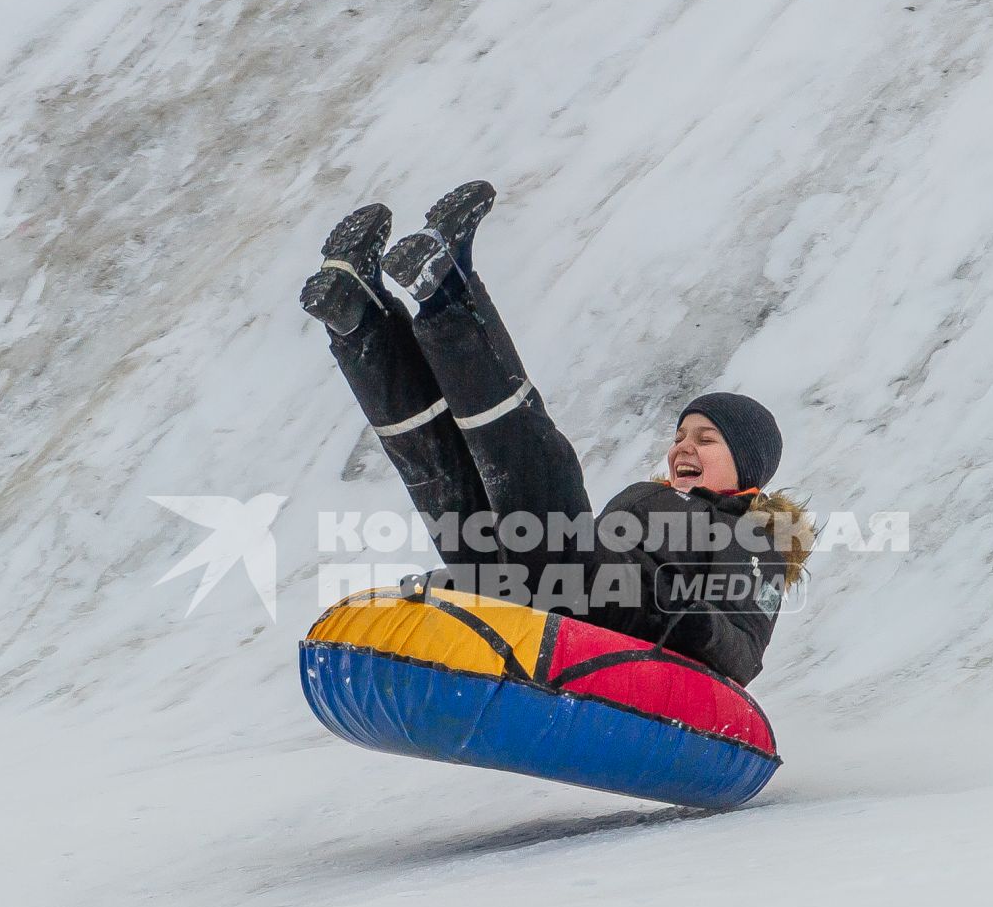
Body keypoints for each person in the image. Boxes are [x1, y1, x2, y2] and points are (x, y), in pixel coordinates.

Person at [299, 181, 809, 686]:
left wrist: (687, 620)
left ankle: (448, 288)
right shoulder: (649, 497)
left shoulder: (756, 535)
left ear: (748, 470)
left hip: (604, 601)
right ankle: (361, 318)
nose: (683, 446)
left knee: (531, 465)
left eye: (706, 438)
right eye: (681, 435)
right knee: (448, 473)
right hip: (545, 587)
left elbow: (742, 651)